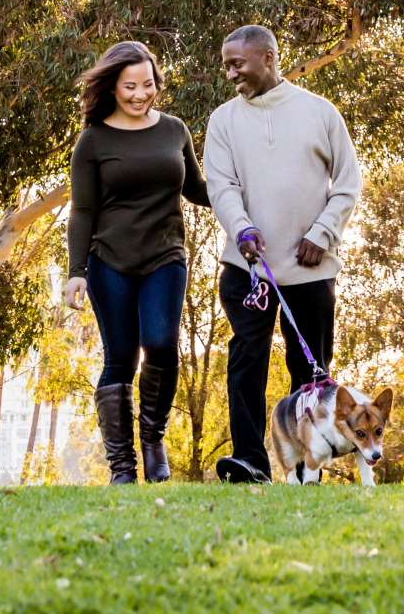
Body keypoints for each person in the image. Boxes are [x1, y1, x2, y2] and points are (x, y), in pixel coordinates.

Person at [203, 24, 362, 483]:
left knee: (310, 375)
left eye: (238, 63)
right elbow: (222, 186)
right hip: (247, 270)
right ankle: (250, 461)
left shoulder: (320, 112)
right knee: (246, 360)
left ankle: (304, 470)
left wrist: (323, 233)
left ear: (268, 57)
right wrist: (242, 228)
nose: (231, 73)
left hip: (312, 268)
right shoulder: (223, 121)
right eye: (226, 65)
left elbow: (348, 184)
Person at [62, 39, 210, 483]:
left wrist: (240, 196)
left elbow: (197, 189)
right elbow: (82, 211)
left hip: (165, 256)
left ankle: (152, 439)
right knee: (121, 358)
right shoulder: (93, 140)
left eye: (148, 84)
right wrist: (76, 273)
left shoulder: (174, 130)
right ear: (112, 88)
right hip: (110, 261)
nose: (140, 94)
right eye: (130, 86)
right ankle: (122, 468)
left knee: (162, 343)